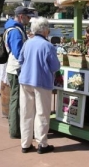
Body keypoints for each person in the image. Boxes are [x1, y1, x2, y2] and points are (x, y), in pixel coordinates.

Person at [18, 17, 60, 153]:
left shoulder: (27, 43)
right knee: (42, 113)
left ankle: (25, 143)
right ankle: (42, 143)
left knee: (26, 112)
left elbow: (20, 60)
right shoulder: (48, 46)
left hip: (25, 80)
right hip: (41, 82)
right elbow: (55, 66)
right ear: (45, 30)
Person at [5, 6, 35, 139]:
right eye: (28, 17)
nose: (29, 20)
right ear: (21, 16)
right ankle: (15, 130)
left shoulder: (13, 28)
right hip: (16, 69)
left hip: (13, 68)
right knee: (16, 100)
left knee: (15, 99)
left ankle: (15, 127)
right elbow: (18, 53)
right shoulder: (16, 31)